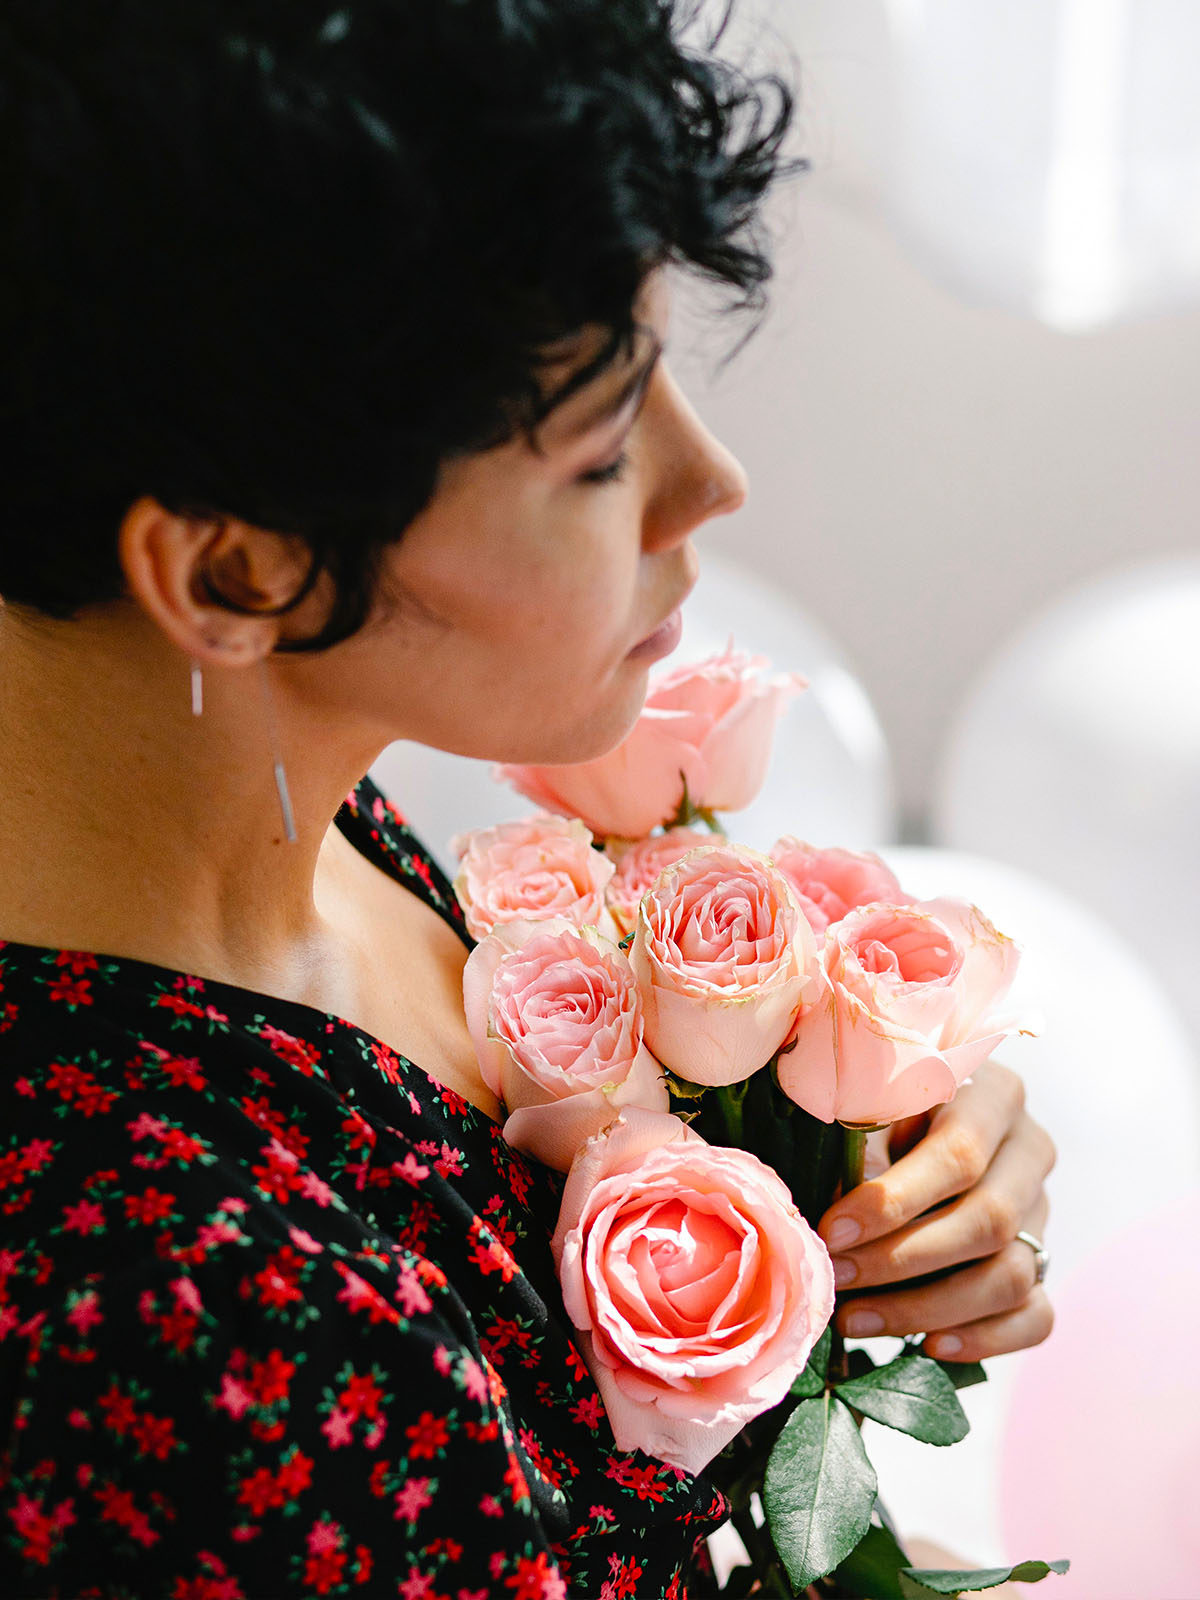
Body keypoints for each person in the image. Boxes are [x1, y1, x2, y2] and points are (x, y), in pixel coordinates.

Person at [0, 2, 1055, 1594]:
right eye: (601, 444)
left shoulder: (267, 807)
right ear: (235, 568)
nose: (711, 484)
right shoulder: (193, 1317)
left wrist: (842, 1159)